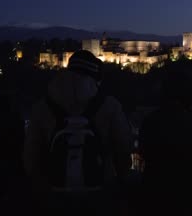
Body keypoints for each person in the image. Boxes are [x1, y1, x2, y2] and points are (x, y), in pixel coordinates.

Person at [24, 50, 132, 215]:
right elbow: (123, 148)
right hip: (98, 191)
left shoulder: (42, 107)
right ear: (95, 77)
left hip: (54, 192)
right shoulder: (110, 106)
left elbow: (30, 155)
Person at [139, 70, 192, 216]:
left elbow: (144, 152)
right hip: (183, 196)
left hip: (153, 195)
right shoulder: (188, 121)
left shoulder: (149, 121)